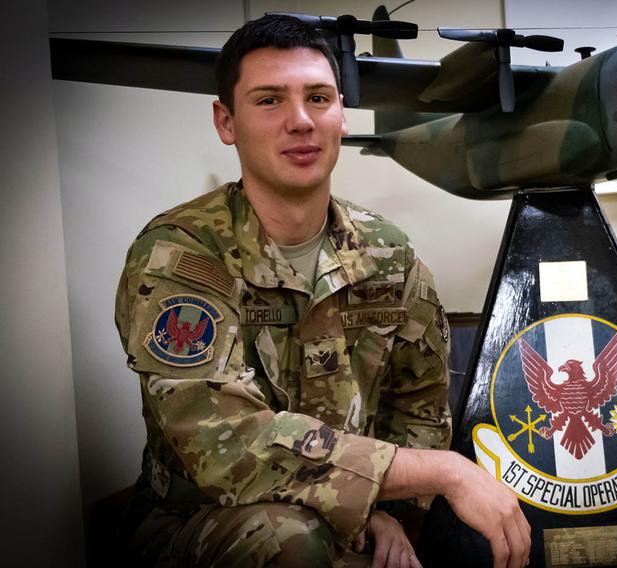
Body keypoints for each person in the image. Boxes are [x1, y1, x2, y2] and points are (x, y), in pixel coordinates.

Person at [114, 13, 530, 568]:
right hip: (202, 522)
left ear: (341, 114)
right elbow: (227, 444)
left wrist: (392, 516)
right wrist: (440, 473)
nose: (301, 121)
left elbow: (420, 407)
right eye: (268, 101)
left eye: (318, 97)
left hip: (349, 516)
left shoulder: (388, 253)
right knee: (289, 537)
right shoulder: (181, 256)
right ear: (226, 121)